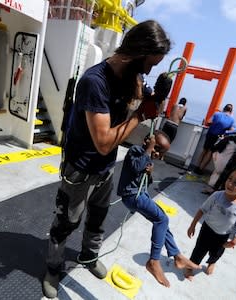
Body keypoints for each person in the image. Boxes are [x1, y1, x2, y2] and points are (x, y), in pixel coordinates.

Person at [42, 20, 172, 299]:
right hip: (80, 167)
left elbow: (142, 101)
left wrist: (157, 97)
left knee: (98, 218)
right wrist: (139, 115)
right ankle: (53, 268)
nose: (149, 70)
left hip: (104, 168)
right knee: (66, 222)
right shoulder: (94, 81)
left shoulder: (132, 77)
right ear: (137, 52)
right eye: (149, 63)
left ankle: (89, 256)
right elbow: (102, 143)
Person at [117, 130, 200, 287]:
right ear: (148, 142)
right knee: (162, 219)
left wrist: (149, 174)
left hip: (141, 195)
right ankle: (154, 261)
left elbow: (144, 183)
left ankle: (177, 255)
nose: (159, 155)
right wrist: (148, 150)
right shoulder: (136, 151)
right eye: (157, 149)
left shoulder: (147, 158)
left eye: (162, 153)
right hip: (132, 196)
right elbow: (135, 167)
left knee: (162, 223)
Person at [185, 169, 236, 280]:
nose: (231, 184)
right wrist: (192, 225)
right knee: (199, 249)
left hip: (223, 235)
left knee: (217, 252)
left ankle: (212, 262)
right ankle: (190, 266)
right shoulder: (217, 195)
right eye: (230, 179)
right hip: (207, 229)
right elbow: (202, 209)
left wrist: (235, 240)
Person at [195, 104, 235, 174]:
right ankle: (200, 169)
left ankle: (196, 167)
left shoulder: (217, 114)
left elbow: (208, 122)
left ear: (224, 108)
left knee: (204, 150)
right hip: (219, 137)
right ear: (231, 111)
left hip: (210, 134)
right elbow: (232, 130)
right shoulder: (232, 119)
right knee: (210, 152)